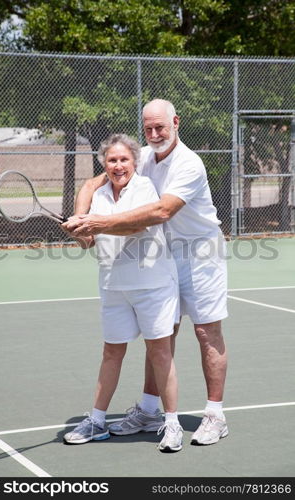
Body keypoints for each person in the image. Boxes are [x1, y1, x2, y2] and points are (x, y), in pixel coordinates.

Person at [65, 99, 229, 446]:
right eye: (148, 128)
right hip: (165, 254)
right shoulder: (145, 159)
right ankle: (150, 410)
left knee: (205, 331)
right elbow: (92, 185)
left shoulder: (189, 163)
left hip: (201, 253)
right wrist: (81, 219)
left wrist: (96, 222)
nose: (154, 134)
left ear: (176, 122)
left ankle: (215, 415)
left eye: (160, 127)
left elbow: (161, 211)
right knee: (162, 336)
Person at [63, 133, 183, 452]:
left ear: (134, 162)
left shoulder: (144, 187)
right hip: (113, 287)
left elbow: (136, 226)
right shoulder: (100, 194)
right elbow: (88, 242)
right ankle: (97, 421)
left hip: (152, 285)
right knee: (111, 353)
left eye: (124, 159)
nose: (118, 166)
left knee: (160, 353)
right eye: (112, 160)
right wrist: (77, 231)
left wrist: (94, 223)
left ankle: (171, 424)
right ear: (105, 164)